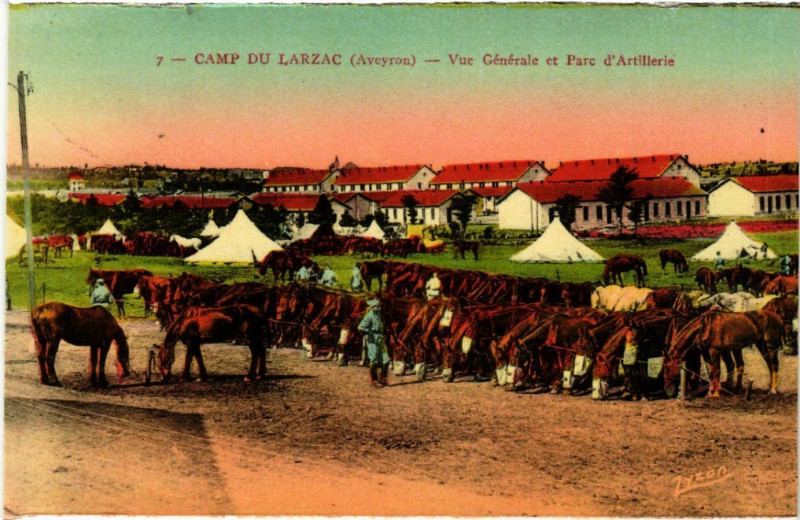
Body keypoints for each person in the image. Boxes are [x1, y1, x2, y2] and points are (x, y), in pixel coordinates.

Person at [358, 299, 389, 387]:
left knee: (386, 359)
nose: (379, 308)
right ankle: (374, 380)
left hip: (380, 338)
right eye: (377, 306)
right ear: (372, 307)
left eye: (379, 306)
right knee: (374, 359)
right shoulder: (369, 316)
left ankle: (383, 378)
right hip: (373, 340)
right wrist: (370, 332)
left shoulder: (378, 315)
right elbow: (360, 327)